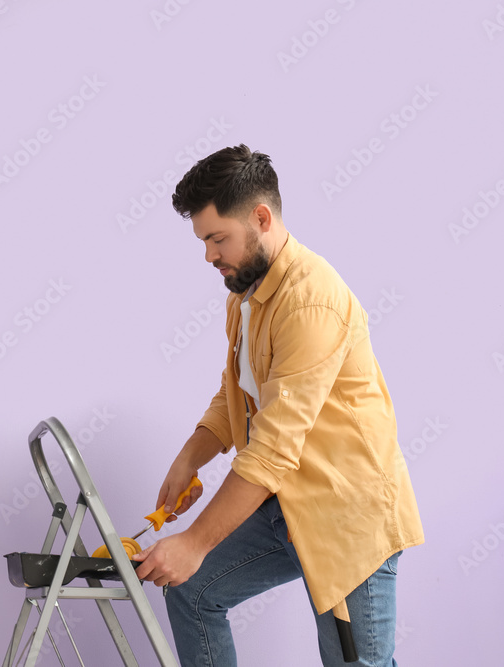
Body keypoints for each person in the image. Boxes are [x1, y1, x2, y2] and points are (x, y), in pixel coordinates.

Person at [131, 144, 425, 666]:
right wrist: (188, 458)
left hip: (346, 516)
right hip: (282, 508)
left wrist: (194, 543)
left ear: (261, 218)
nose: (209, 256)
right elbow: (236, 392)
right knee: (193, 593)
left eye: (217, 238)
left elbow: (271, 449)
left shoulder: (311, 301)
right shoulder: (245, 294)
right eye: (203, 241)